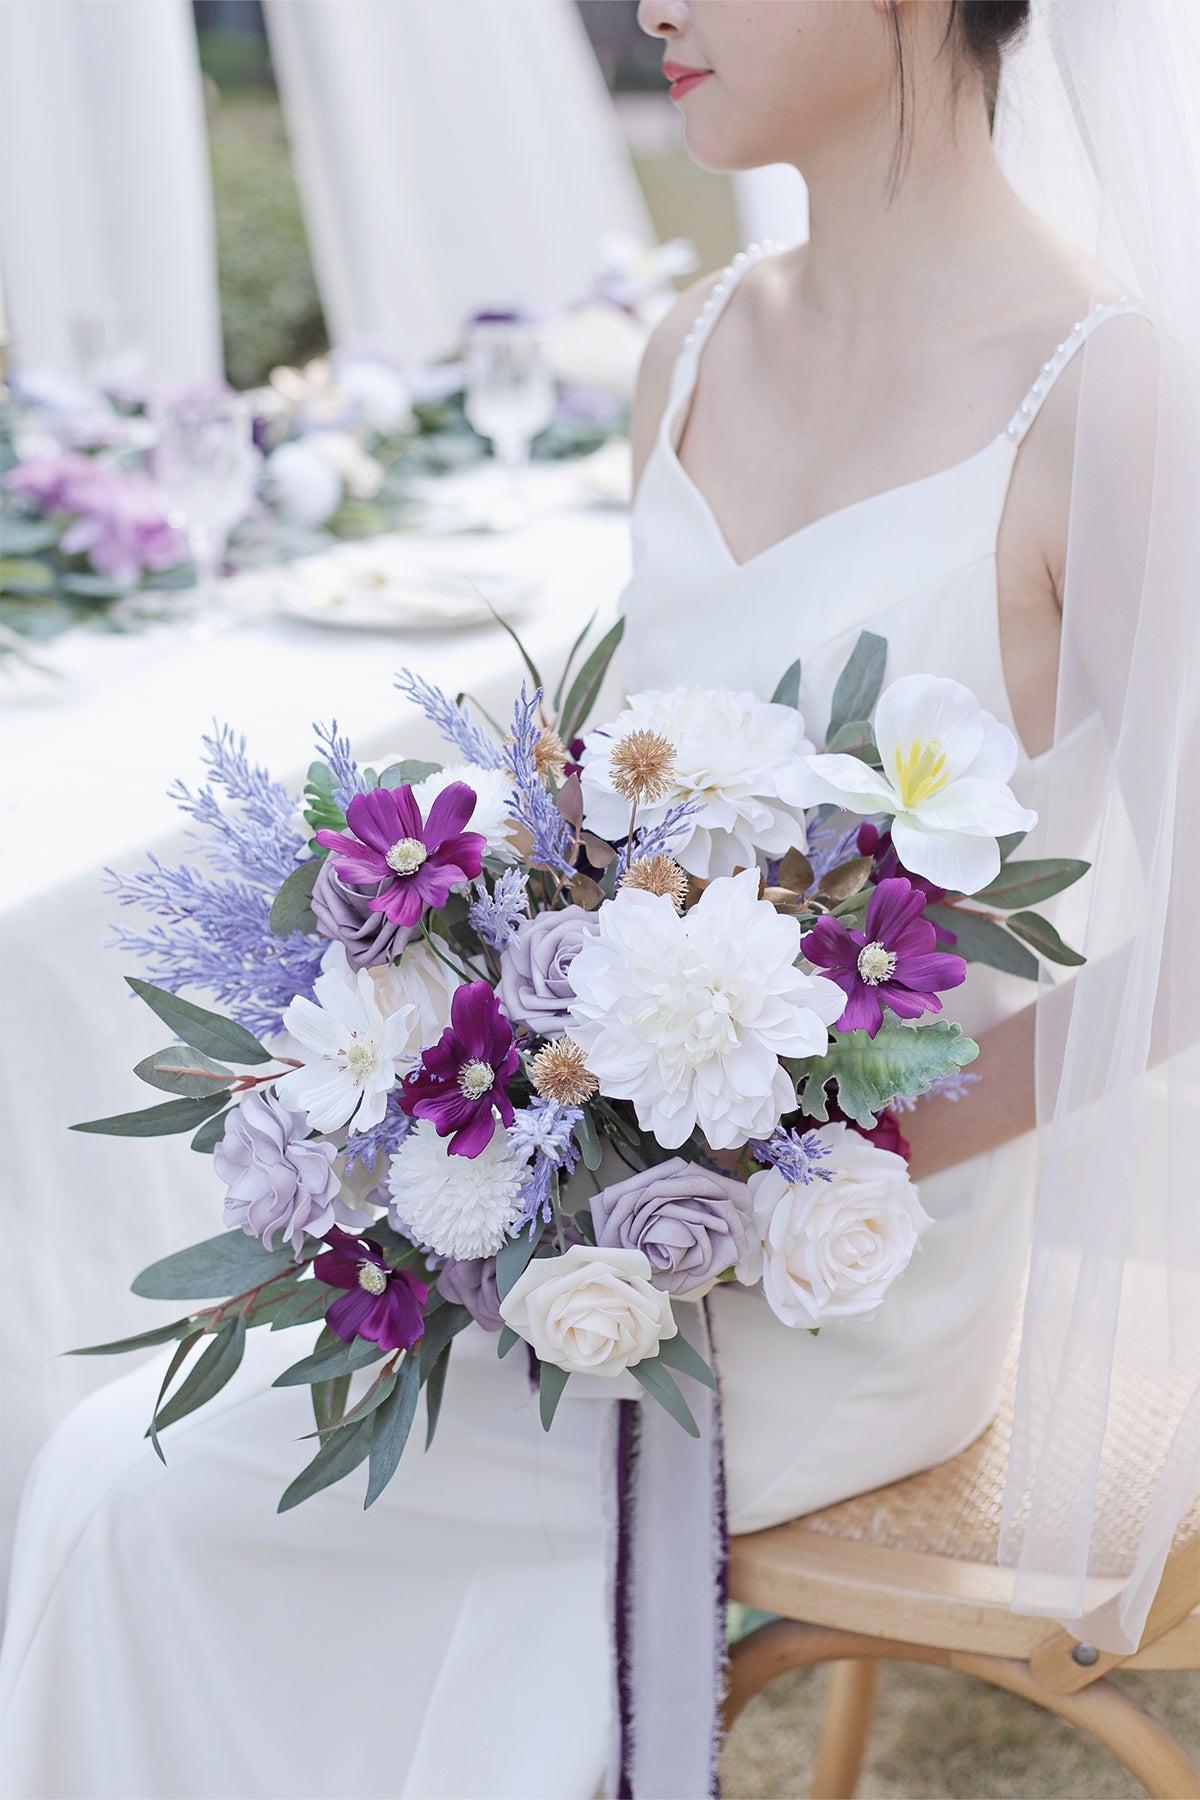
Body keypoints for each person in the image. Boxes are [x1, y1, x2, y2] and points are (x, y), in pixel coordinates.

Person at [0, 5, 1179, 1797]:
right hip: (586, 1212)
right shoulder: (690, 345)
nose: (649, 5)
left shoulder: (1111, 396)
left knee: (123, 1489)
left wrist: (833, 1151)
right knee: (115, 1481)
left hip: (839, 1273)